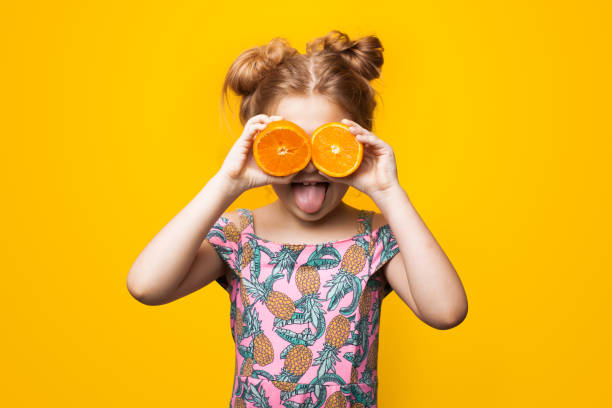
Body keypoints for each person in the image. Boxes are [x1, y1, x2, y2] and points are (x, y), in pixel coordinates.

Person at [127, 30, 468, 408]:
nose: (308, 165)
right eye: (291, 145)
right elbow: (146, 286)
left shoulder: (374, 237)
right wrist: (227, 183)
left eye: (326, 144)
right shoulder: (240, 234)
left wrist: (388, 192)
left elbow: (446, 312)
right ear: (261, 146)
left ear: (359, 143)